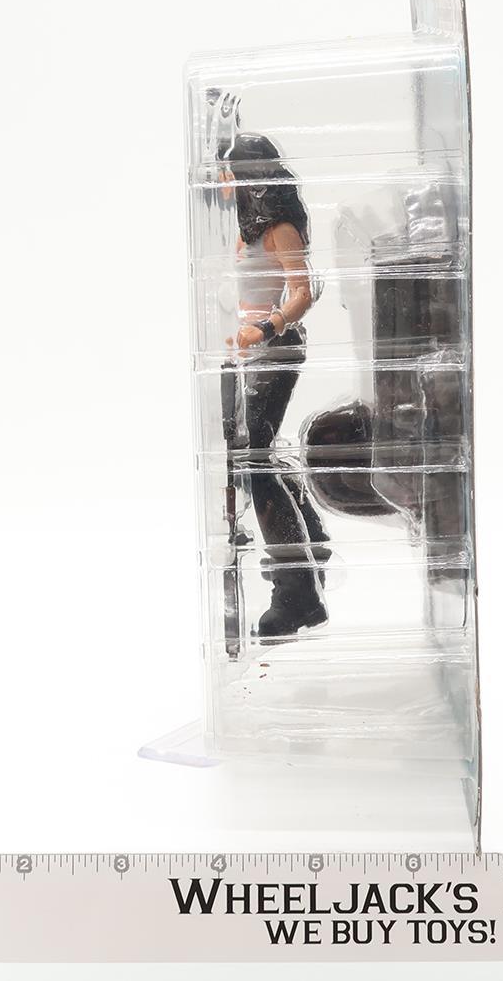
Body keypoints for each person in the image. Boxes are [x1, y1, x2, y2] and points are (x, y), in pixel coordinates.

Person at [218, 130, 330, 638]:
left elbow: (304, 291)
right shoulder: (246, 227)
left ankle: (297, 591)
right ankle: (312, 541)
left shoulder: (280, 228)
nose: (225, 185)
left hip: (275, 349)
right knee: (255, 458)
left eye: (232, 175)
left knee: (254, 463)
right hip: (248, 351)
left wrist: (265, 328)